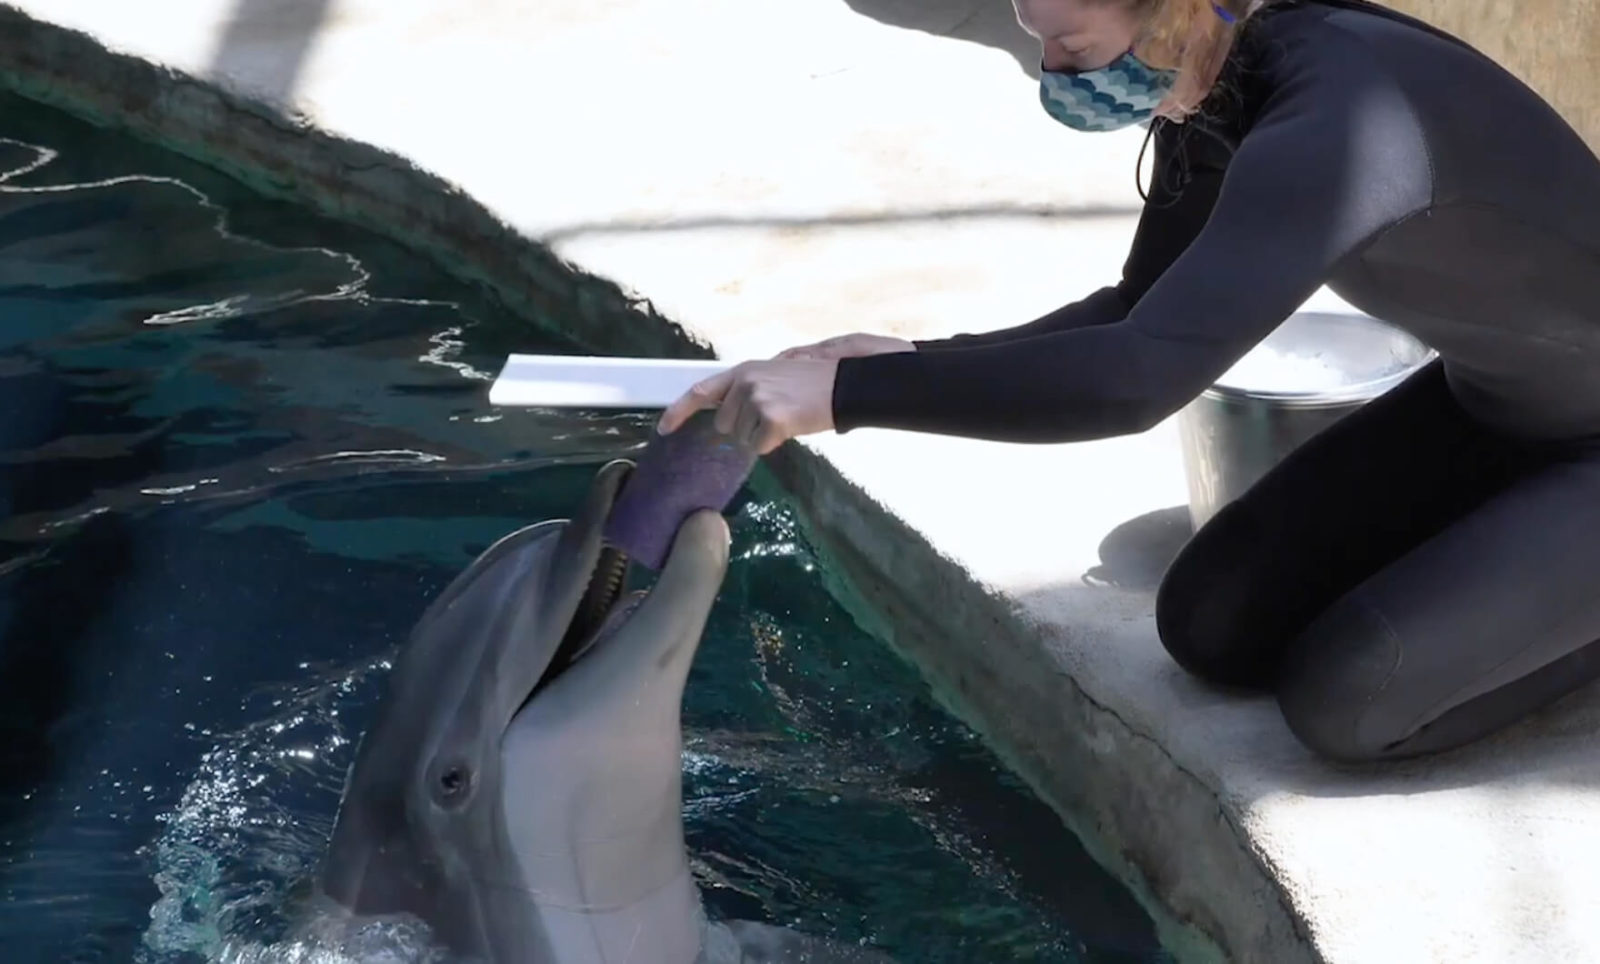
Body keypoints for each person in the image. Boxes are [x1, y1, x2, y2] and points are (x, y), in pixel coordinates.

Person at [656, 0, 1600, 764]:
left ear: (1167, 13)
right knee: (1215, 625)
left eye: (1070, 45)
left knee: (1347, 703)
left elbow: (1137, 380)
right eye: (1039, 46)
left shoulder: (1346, 115)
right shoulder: (1221, 80)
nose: (1055, 76)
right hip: (1499, 408)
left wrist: (845, 403)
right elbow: (1137, 309)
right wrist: (909, 361)